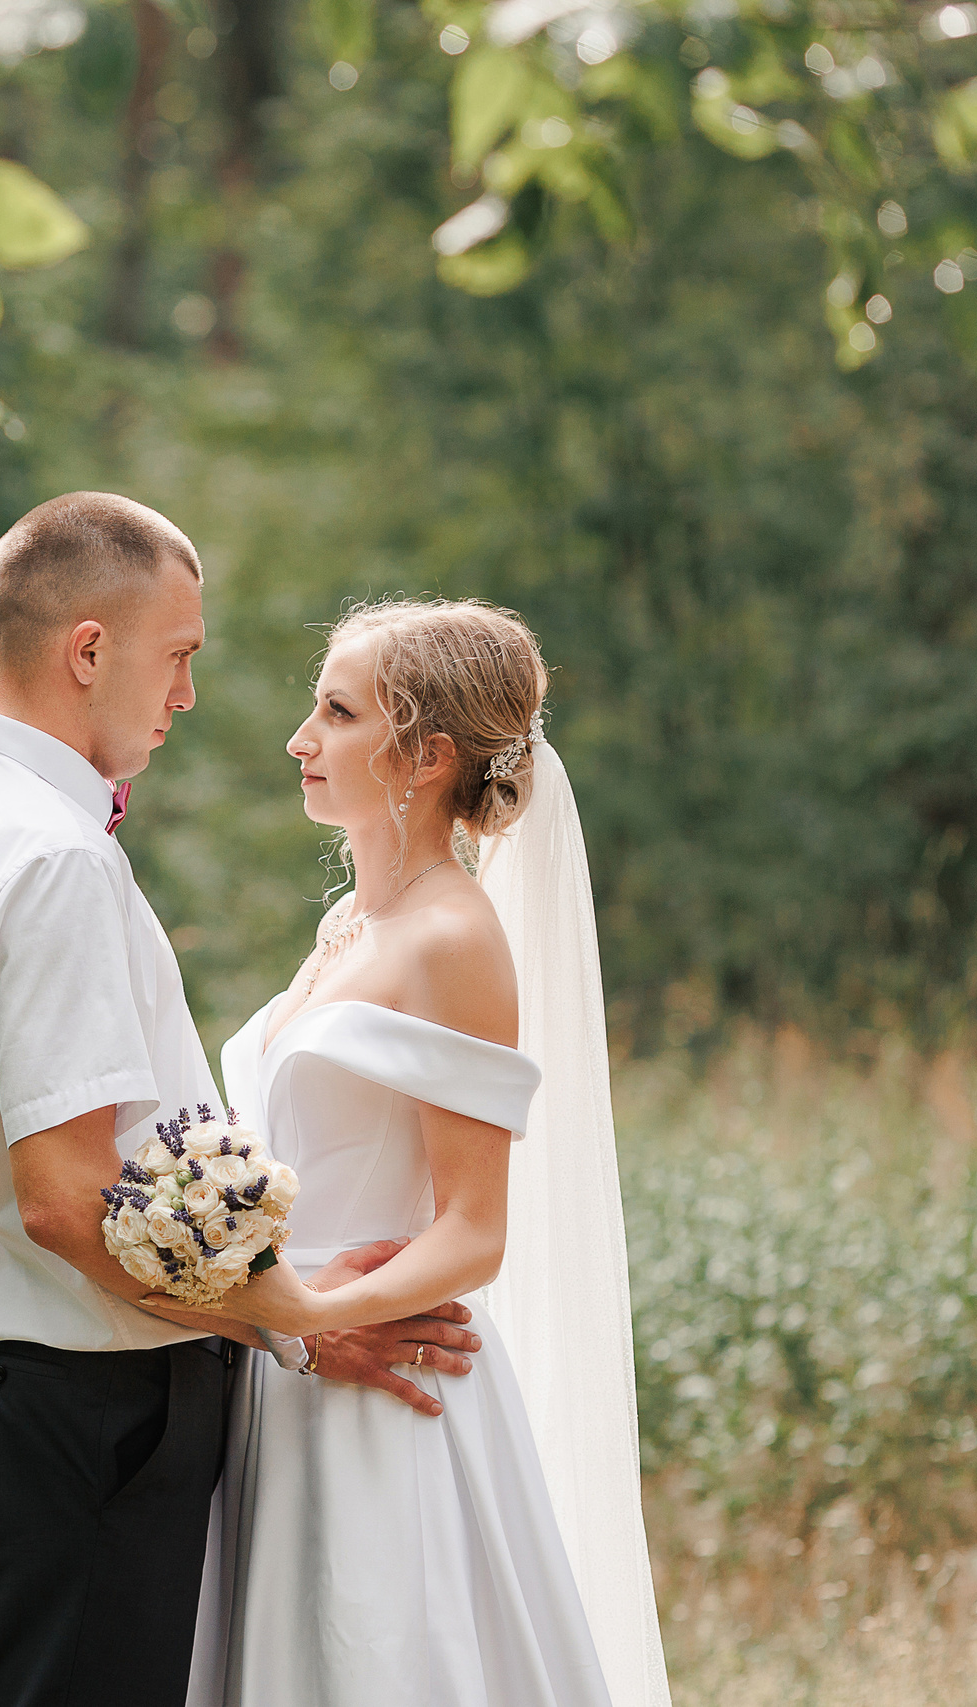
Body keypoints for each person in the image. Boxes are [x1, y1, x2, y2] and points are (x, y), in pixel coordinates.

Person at [0, 496, 482, 1707]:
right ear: (89, 650)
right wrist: (293, 1317)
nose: (186, 696)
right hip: (94, 1419)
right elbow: (62, 1197)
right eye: (178, 656)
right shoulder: (52, 862)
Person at [179, 598, 672, 1707]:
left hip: (376, 1386)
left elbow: (472, 1229)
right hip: (285, 1372)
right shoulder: (349, 927)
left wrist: (305, 1315)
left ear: (425, 755)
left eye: (337, 713)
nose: (300, 739)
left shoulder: (453, 941)